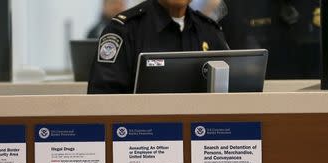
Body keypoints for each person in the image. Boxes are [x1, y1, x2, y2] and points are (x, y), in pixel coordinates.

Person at [87, 0, 229, 94]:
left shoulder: (209, 30)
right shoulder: (124, 30)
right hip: (142, 134)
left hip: (202, 133)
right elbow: (102, 99)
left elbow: (232, 89)